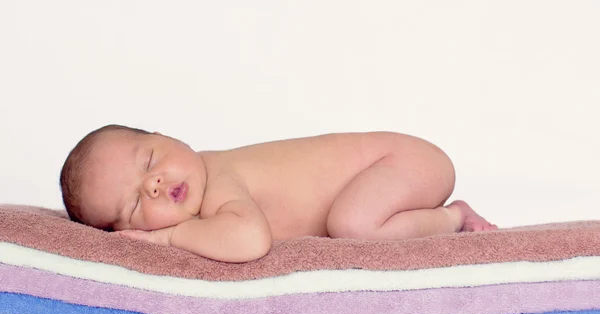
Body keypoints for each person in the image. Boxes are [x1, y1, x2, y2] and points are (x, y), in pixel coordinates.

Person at [60, 124, 497, 262]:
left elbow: (251, 240)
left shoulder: (218, 175)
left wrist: (167, 237)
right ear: (123, 231)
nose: (154, 184)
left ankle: (453, 217)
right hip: (390, 170)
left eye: (151, 159)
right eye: (136, 203)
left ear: (167, 134)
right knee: (353, 221)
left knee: (353, 225)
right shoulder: (202, 201)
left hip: (401, 161)